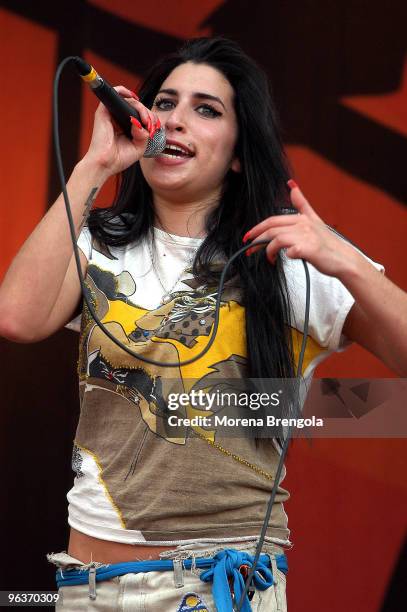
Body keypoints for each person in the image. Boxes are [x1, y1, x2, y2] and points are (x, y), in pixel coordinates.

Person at [0, 36, 406, 612]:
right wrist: (96, 164)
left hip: (218, 588)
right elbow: (17, 317)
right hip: (89, 588)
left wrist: (348, 264)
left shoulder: (284, 253)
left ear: (240, 152)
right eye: (164, 103)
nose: (175, 120)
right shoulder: (97, 242)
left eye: (206, 110)